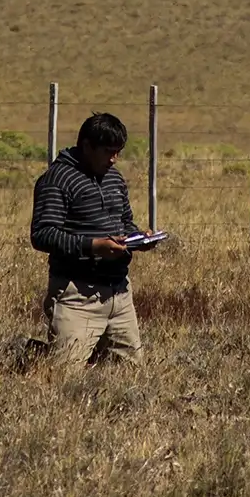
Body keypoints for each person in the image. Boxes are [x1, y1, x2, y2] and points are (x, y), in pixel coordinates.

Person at [29, 112, 155, 368]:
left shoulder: (114, 178)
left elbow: (124, 222)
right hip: (77, 295)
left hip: (119, 294)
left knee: (129, 374)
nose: (114, 159)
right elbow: (42, 234)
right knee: (61, 377)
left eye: (118, 151)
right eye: (108, 151)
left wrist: (138, 237)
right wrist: (93, 246)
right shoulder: (57, 180)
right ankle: (30, 357)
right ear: (86, 146)